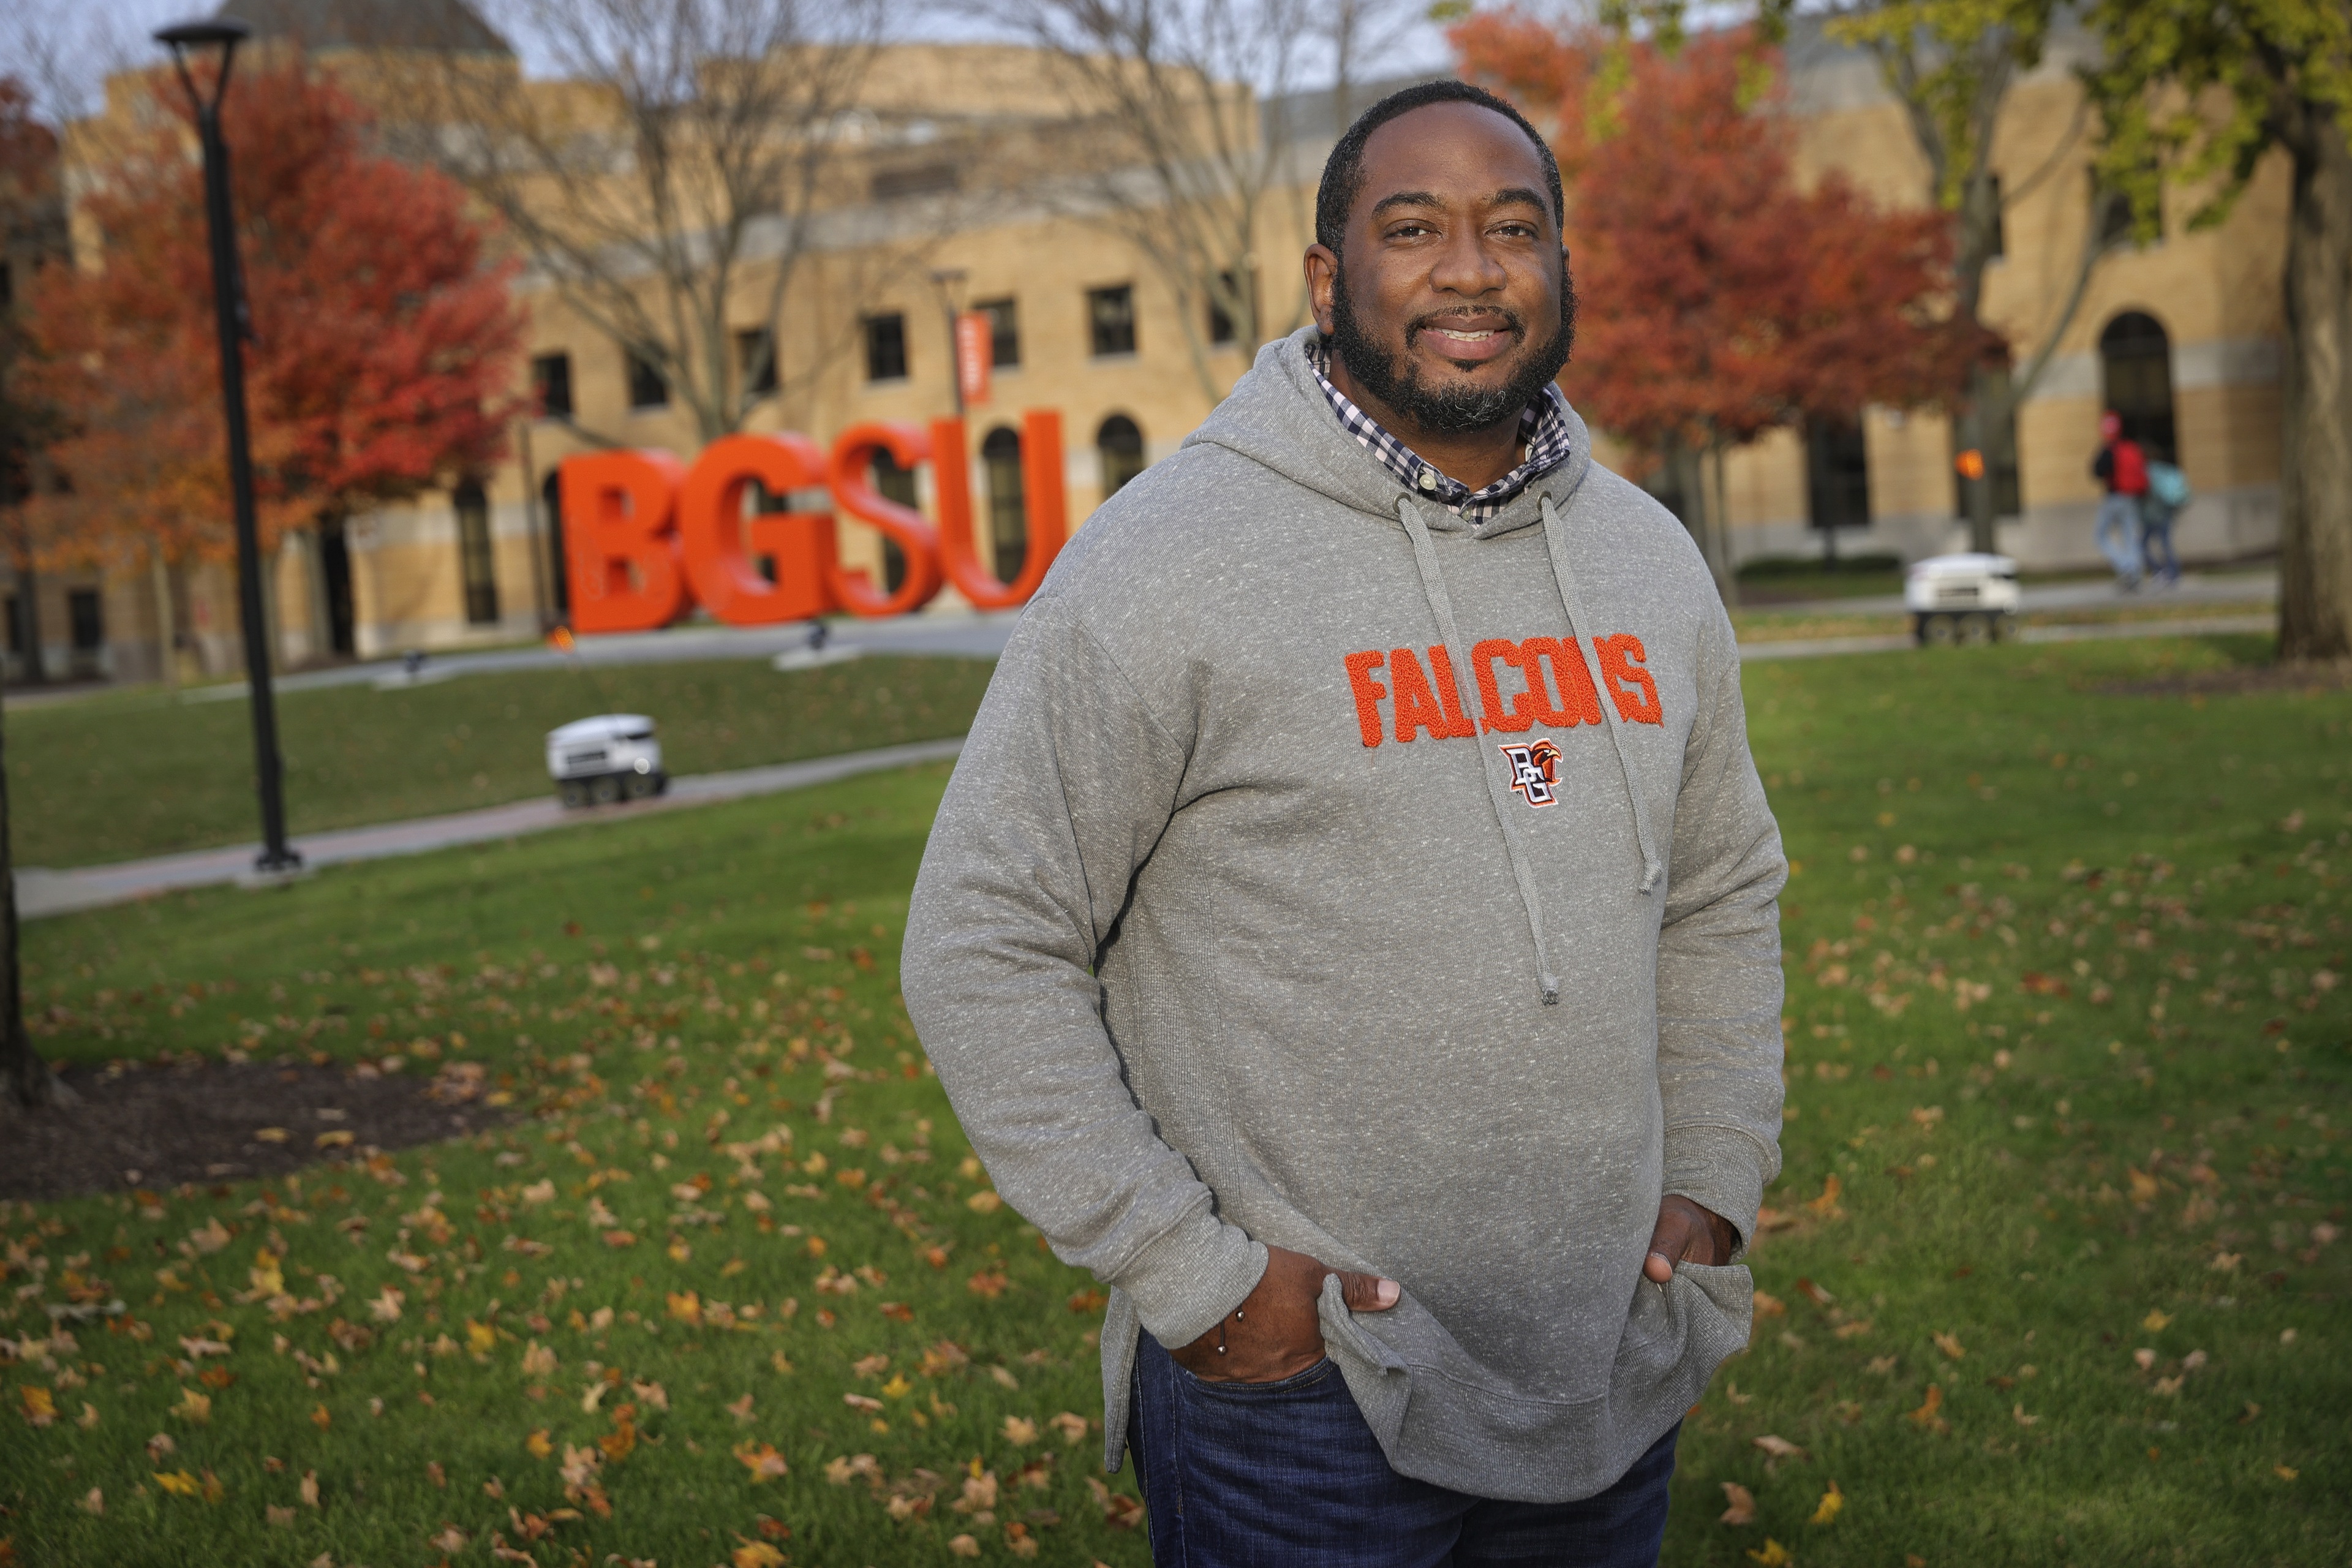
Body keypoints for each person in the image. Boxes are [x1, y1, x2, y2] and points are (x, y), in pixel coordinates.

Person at [903, 80, 1785, 1568]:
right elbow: (982, 936)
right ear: (1328, 280)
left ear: (1559, 270)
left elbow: (1718, 891)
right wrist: (1189, 1273)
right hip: (1302, 1402)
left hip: (1606, 1357)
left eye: (1513, 227)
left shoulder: (1645, 559)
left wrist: (1712, 1179)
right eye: (1412, 228)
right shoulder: (1164, 561)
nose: (1468, 267)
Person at [2092, 410, 2148, 589]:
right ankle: (2135, 572)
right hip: (2132, 499)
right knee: (2130, 536)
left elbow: (2097, 471)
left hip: (2115, 498)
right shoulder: (2130, 447)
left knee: (2101, 535)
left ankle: (2127, 567)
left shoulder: (2109, 450)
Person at [2141, 454, 2190, 587]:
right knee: (2164, 543)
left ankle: (2163, 572)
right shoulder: (2165, 471)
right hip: (2165, 513)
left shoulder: (2150, 472)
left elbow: (2153, 495)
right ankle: (2171, 573)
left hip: (2154, 515)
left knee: (2145, 545)